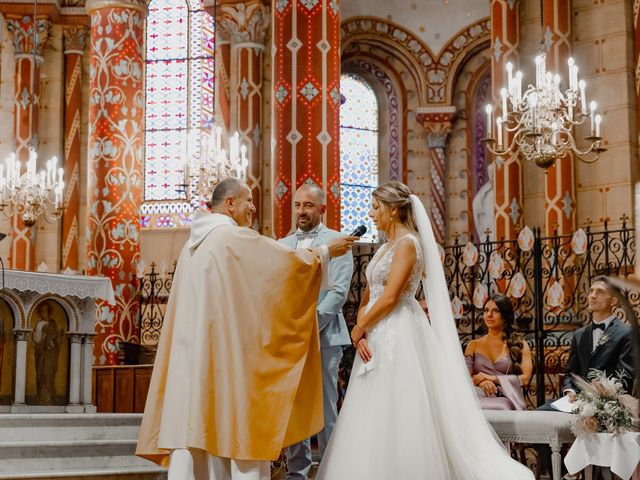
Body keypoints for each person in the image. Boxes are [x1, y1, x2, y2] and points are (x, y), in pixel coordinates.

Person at [136, 177, 356, 480]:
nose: (253, 207)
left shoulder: (192, 244)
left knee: (197, 425)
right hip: (225, 356)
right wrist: (325, 252)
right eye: (248, 200)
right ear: (230, 204)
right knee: (229, 422)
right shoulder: (231, 237)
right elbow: (284, 266)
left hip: (193, 357)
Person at [316, 181, 534, 479]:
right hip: (376, 331)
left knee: (402, 399)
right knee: (371, 405)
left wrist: (361, 326)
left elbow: (392, 296)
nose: (371, 213)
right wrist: (361, 330)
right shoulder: (384, 248)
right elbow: (370, 292)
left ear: (393, 210)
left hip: (399, 329)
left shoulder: (408, 243)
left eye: (376, 207)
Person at [279, 184, 353, 480]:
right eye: (297, 205)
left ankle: (331, 469)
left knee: (324, 405)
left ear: (322, 208)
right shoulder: (281, 244)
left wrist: (309, 324)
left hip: (324, 335)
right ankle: (297, 472)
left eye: (308, 205)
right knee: (294, 405)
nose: (301, 211)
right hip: (291, 337)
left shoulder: (338, 241)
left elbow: (338, 291)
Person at [465, 293, 533, 410]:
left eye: (495, 311)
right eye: (486, 310)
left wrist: (492, 378)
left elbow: (526, 378)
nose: (489, 314)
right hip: (477, 394)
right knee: (469, 406)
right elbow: (464, 378)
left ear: (506, 315)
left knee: (502, 407)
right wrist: (482, 383)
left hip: (507, 395)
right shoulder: (473, 345)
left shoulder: (520, 344)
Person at [32, 301, 61, 405]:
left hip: (51, 355)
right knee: (41, 374)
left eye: (45, 311)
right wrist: (42, 340)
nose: (43, 313)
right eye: (42, 311)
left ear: (49, 312)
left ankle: (50, 398)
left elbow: (56, 338)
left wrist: (51, 342)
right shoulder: (39, 324)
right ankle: (41, 398)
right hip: (41, 354)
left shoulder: (53, 323)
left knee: (49, 374)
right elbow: (36, 338)